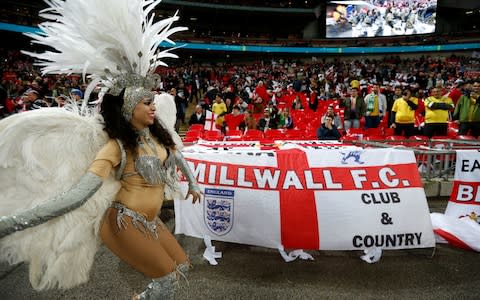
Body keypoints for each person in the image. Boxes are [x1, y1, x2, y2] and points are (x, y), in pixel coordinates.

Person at [0, 1, 200, 299]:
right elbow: (76, 195)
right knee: (168, 278)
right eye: (146, 103)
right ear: (129, 108)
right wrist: (13, 222)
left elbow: (177, 156)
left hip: (149, 220)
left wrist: (193, 183)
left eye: (152, 102)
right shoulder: (115, 147)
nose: (153, 107)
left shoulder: (156, 136)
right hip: (122, 222)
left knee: (182, 267)